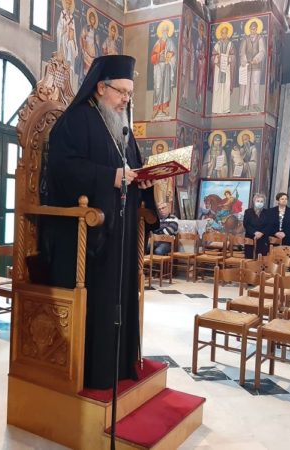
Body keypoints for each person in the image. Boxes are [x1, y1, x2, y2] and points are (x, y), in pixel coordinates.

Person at [44, 55, 155, 390]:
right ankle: (95, 372)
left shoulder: (121, 126)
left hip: (120, 235)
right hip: (87, 239)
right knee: (100, 303)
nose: (125, 100)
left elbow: (131, 168)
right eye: (121, 92)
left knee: (119, 297)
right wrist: (111, 177)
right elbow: (63, 170)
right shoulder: (75, 121)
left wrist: (144, 182)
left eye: (129, 94)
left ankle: (119, 366)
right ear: (100, 87)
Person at [151, 20, 176, 119]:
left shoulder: (170, 42)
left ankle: (164, 108)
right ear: (161, 32)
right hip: (158, 67)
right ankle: (157, 109)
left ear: (168, 32)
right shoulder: (157, 43)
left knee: (165, 88)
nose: (165, 32)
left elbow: (174, 55)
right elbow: (152, 57)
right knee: (158, 87)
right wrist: (159, 55)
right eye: (164, 30)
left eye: (166, 30)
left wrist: (169, 59)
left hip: (167, 67)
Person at [239, 18, 265, 112]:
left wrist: (256, 59)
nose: (253, 30)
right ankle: (245, 105)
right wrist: (245, 60)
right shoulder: (246, 39)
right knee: (245, 84)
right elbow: (242, 51)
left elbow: (262, 51)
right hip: (247, 66)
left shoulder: (260, 38)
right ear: (249, 29)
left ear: (257, 29)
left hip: (256, 66)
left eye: (254, 28)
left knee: (255, 84)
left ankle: (254, 104)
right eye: (251, 28)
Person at [211, 22, 234, 114]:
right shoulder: (218, 44)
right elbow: (213, 55)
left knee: (226, 86)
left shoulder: (230, 44)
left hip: (226, 68)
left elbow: (233, 56)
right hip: (218, 67)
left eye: (225, 33)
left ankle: (225, 109)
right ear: (220, 34)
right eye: (222, 33)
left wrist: (228, 59)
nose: (223, 34)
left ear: (227, 33)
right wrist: (217, 58)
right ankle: (216, 109)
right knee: (217, 87)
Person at [243, 193, 271, 259]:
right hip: (250, 238)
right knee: (249, 258)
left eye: (261, 201)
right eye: (258, 201)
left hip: (263, 239)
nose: (259, 203)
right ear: (254, 201)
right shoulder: (248, 212)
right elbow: (246, 224)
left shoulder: (268, 212)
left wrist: (261, 233)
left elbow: (269, 225)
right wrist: (255, 232)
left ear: (264, 203)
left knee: (262, 259)